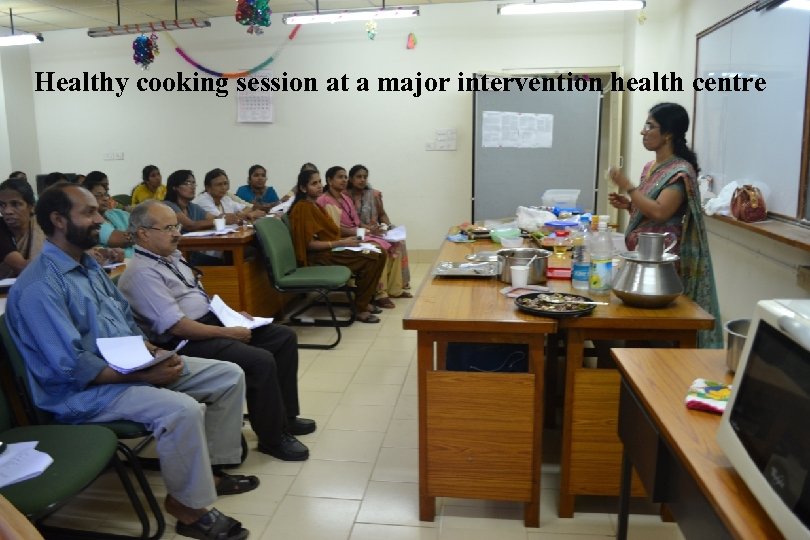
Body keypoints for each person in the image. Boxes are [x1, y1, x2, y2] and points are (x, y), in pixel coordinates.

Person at [6, 183, 256, 540]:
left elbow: (123, 318)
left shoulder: (88, 265)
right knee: (180, 410)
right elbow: (72, 368)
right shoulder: (39, 286)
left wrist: (151, 351)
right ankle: (187, 507)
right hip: (80, 394)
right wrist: (146, 374)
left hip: (127, 368)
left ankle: (208, 472)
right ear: (59, 220)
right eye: (89, 212)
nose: (101, 218)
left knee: (228, 375)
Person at [119, 200, 315, 461]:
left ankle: (286, 418)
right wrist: (228, 333)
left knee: (283, 337)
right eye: (168, 228)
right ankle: (273, 438)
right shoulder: (141, 274)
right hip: (184, 341)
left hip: (208, 322)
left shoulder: (170, 257)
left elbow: (197, 298)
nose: (177, 233)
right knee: (259, 359)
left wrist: (234, 317)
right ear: (143, 233)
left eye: (176, 226)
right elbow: (177, 326)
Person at [608, 102, 722, 348]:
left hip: (661, 263)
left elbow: (661, 213)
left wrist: (629, 187)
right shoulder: (651, 168)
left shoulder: (679, 171)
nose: (643, 131)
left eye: (650, 126)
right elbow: (648, 209)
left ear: (668, 133)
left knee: (653, 333)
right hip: (642, 258)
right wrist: (629, 205)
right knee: (635, 332)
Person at [288, 169, 386, 324]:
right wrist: (341, 242)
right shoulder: (303, 208)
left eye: (319, 182)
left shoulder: (314, 205)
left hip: (331, 249)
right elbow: (309, 245)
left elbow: (329, 233)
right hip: (319, 256)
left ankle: (363, 301)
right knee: (371, 257)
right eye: (314, 183)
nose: (319, 186)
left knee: (380, 252)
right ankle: (360, 308)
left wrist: (349, 240)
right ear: (303, 188)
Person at [317, 166, 397, 309]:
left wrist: (369, 229)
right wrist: (361, 232)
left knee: (391, 243)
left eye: (345, 177)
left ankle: (386, 291)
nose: (343, 180)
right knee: (377, 251)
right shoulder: (323, 201)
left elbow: (357, 221)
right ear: (329, 180)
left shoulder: (345, 198)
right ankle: (376, 294)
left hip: (356, 235)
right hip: (341, 240)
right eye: (340, 177)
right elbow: (333, 229)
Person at [347, 164, 412, 295]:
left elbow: (382, 214)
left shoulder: (374, 194)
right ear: (351, 179)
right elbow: (351, 223)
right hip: (358, 233)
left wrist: (388, 227)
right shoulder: (345, 197)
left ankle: (396, 288)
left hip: (375, 231)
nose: (362, 180)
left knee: (398, 244)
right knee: (381, 249)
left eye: (365, 177)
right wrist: (369, 230)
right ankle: (380, 290)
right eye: (358, 177)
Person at [0, 177, 45, 278]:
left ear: (31, 206)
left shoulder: (42, 226)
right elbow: (23, 267)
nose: (7, 211)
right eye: (2, 205)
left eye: (15, 204)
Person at [84, 171, 134, 257]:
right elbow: (122, 240)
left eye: (105, 195)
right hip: (119, 266)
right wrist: (143, 235)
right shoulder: (91, 222)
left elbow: (141, 224)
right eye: (99, 195)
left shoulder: (116, 213)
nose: (105, 199)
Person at [193, 168, 266, 222]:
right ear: (208, 187)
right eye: (219, 184)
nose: (223, 187)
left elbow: (248, 208)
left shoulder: (225, 198)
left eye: (225, 183)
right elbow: (223, 220)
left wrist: (240, 215)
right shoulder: (203, 200)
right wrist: (249, 215)